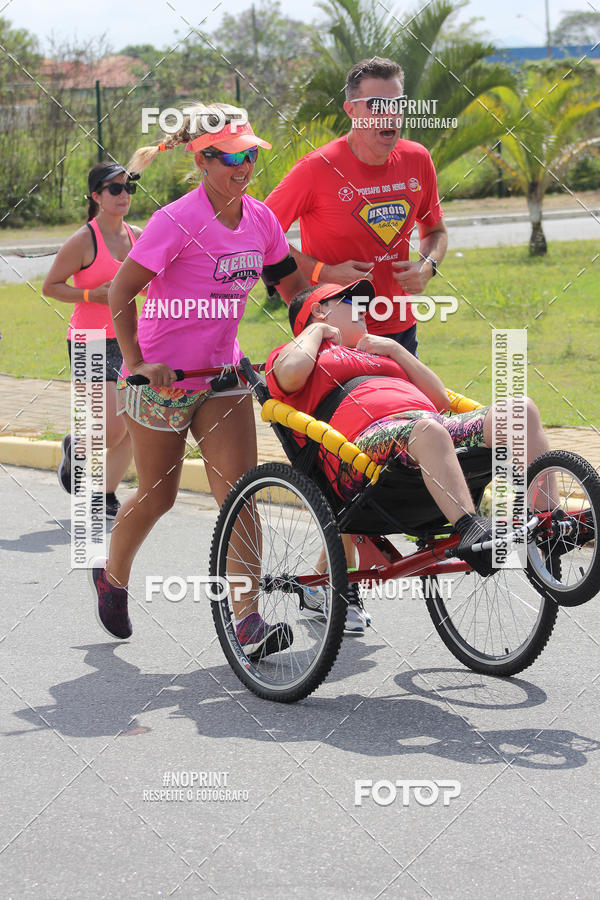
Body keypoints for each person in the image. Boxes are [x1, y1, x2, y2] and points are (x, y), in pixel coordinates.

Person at [89, 103, 308, 653]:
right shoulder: (176, 220)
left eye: (251, 153)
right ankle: (112, 577)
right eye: (232, 155)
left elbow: (289, 287)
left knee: (240, 496)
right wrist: (136, 362)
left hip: (223, 377)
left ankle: (247, 621)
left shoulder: (261, 219)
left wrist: (321, 319)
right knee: (157, 497)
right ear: (203, 159)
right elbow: (120, 291)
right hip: (163, 380)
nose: (245, 164)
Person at [265, 281, 554, 584]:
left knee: (521, 411)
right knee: (427, 431)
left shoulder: (381, 355)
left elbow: (440, 401)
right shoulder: (297, 354)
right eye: (349, 300)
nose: (363, 309)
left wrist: (394, 349)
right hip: (363, 449)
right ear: (319, 309)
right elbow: (289, 373)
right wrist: (315, 331)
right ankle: (469, 527)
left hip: (428, 428)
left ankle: (551, 526)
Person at [265, 56, 448, 357]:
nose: (389, 115)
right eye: (376, 105)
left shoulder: (417, 159)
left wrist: (428, 266)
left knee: (410, 405)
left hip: (400, 329)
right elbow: (259, 235)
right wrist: (324, 272)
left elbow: (436, 231)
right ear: (351, 110)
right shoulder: (316, 169)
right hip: (335, 332)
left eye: (397, 104)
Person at [43, 163, 139, 518]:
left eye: (128, 189)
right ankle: (76, 449)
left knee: (133, 421)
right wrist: (90, 296)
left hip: (130, 338)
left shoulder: (137, 236)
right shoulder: (84, 240)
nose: (123, 195)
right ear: (96, 196)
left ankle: (105, 493)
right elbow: (50, 286)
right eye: (114, 190)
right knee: (111, 426)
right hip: (90, 339)